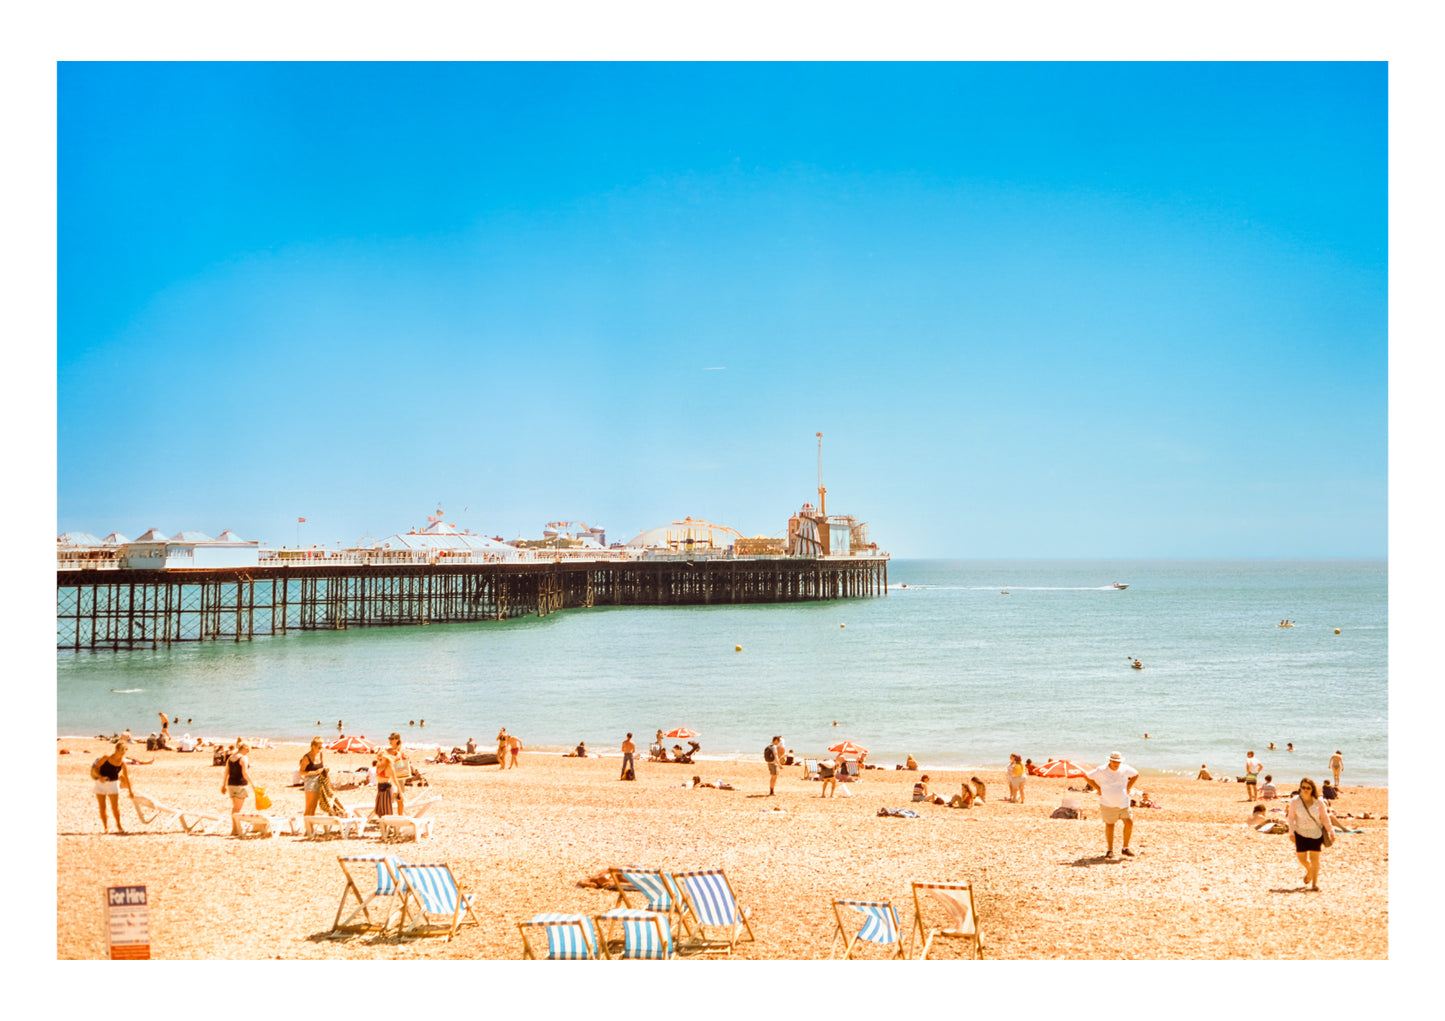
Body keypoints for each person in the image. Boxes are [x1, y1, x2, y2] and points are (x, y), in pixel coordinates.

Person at [1084, 751, 1139, 858]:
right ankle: (1110, 850)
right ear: (1110, 760)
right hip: (1107, 802)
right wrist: (1098, 788)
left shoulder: (1125, 768)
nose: (1116, 764)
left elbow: (1136, 775)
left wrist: (1128, 787)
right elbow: (1087, 776)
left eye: (1118, 762)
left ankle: (1125, 848)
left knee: (1129, 822)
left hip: (1123, 802)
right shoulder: (1101, 770)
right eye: (1114, 761)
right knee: (1110, 825)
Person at [1286, 777, 1334, 891]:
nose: (1305, 790)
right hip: (1300, 832)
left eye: (1308, 788)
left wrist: (1331, 831)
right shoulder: (1295, 801)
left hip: (1316, 833)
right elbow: (1291, 817)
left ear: (1312, 789)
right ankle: (1309, 870)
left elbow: (1325, 817)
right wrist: (1291, 832)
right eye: (1303, 787)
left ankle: (1314, 884)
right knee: (1301, 858)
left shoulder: (1319, 801)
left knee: (1315, 859)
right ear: (1300, 788)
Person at [92, 739, 133, 833]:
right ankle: (106, 827)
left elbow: (126, 777)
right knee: (102, 807)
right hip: (100, 784)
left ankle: (119, 826)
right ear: (117, 750)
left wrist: (130, 791)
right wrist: (100, 777)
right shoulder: (106, 758)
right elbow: (96, 768)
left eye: (125, 750)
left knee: (115, 807)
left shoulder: (122, 763)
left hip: (113, 784)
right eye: (122, 750)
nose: (124, 752)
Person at [222, 741, 253, 835]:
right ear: (245, 749)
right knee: (237, 809)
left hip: (231, 784)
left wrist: (223, 785)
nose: (248, 752)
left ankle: (235, 829)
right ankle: (235, 830)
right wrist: (253, 784)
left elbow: (226, 772)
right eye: (248, 750)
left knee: (235, 808)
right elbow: (245, 773)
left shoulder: (230, 758)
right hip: (241, 785)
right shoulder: (243, 758)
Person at [299, 736, 327, 818]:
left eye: (322, 747)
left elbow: (321, 766)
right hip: (310, 782)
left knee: (314, 807)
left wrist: (324, 769)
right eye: (319, 747)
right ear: (313, 746)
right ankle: (308, 829)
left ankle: (310, 828)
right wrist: (314, 772)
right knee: (309, 808)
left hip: (319, 782)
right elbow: (301, 772)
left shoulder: (320, 755)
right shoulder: (307, 757)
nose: (320, 749)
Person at [387, 733, 411, 814]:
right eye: (389, 738)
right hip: (393, 774)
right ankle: (391, 816)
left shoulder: (401, 748)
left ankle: (400, 816)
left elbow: (398, 756)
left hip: (400, 774)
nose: (390, 740)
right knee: (391, 796)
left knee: (399, 797)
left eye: (392, 738)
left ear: (397, 739)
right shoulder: (390, 749)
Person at [374, 741, 400, 817]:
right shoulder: (378, 765)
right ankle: (385, 825)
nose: (379, 760)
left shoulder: (389, 767)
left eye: (381, 759)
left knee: (387, 811)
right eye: (378, 759)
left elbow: (395, 780)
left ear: (385, 758)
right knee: (378, 811)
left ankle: (390, 826)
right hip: (379, 788)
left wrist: (399, 792)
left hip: (386, 789)